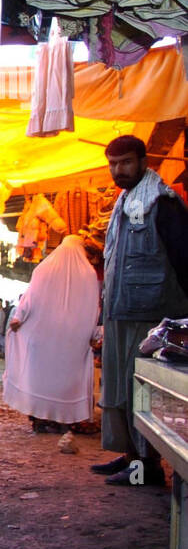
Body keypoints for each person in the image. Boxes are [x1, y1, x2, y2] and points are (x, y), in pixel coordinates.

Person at [91, 135, 188, 486]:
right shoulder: (125, 202)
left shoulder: (163, 203)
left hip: (151, 318)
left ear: (144, 162)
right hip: (121, 313)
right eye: (113, 164)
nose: (119, 170)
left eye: (126, 163)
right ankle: (131, 459)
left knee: (141, 397)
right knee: (117, 392)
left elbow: (183, 259)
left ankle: (146, 469)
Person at [3, 235, 101, 432]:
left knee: (40, 378)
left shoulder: (44, 269)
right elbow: (93, 309)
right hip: (71, 339)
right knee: (65, 379)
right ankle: (63, 419)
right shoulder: (88, 274)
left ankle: (40, 418)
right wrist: (93, 333)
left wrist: (18, 318)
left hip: (41, 336)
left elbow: (30, 297)